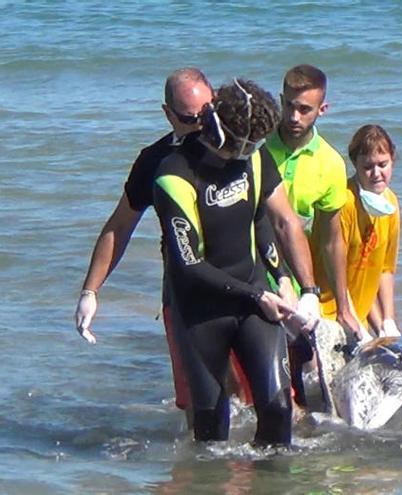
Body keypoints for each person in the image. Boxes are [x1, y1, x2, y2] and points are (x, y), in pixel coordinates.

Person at [73, 68, 303, 419]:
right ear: (168, 115)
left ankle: (260, 471)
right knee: (204, 406)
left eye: (209, 113)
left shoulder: (241, 149)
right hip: (191, 293)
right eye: (190, 118)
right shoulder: (158, 163)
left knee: (272, 399)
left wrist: (301, 286)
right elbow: (119, 227)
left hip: (250, 287)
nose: (203, 125)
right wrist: (91, 291)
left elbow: (280, 220)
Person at [152, 78, 314, 445]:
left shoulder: (254, 156)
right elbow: (188, 263)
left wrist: (283, 277)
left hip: (254, 296)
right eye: (240, 146)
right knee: (212, 427)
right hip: (200, 310)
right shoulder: (173, 175)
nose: (246, 153)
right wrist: (257, 296)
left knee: (277, 408)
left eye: (253, 145)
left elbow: (259, 217)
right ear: (217, 128)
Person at [264, 64, 364, 410]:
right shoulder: (256, 148)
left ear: (322, 110)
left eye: (304, 109)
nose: (294, 115)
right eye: (289, 105)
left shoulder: (330, 163)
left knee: (303, 371)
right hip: (249, 268)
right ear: (280, 100)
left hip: (295, 278)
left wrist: (343, 304)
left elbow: (331, 241)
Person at [310, 124, 402, 337]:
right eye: (368, 166)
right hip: (328, 314)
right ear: (355, 164)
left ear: (392, 160)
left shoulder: (391, 204)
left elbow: (384, 269)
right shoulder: (344, 202)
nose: (376, 173)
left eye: (383, 164)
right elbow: (338, 269)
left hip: (357, 317)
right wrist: (351, 318)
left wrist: (386, 323)